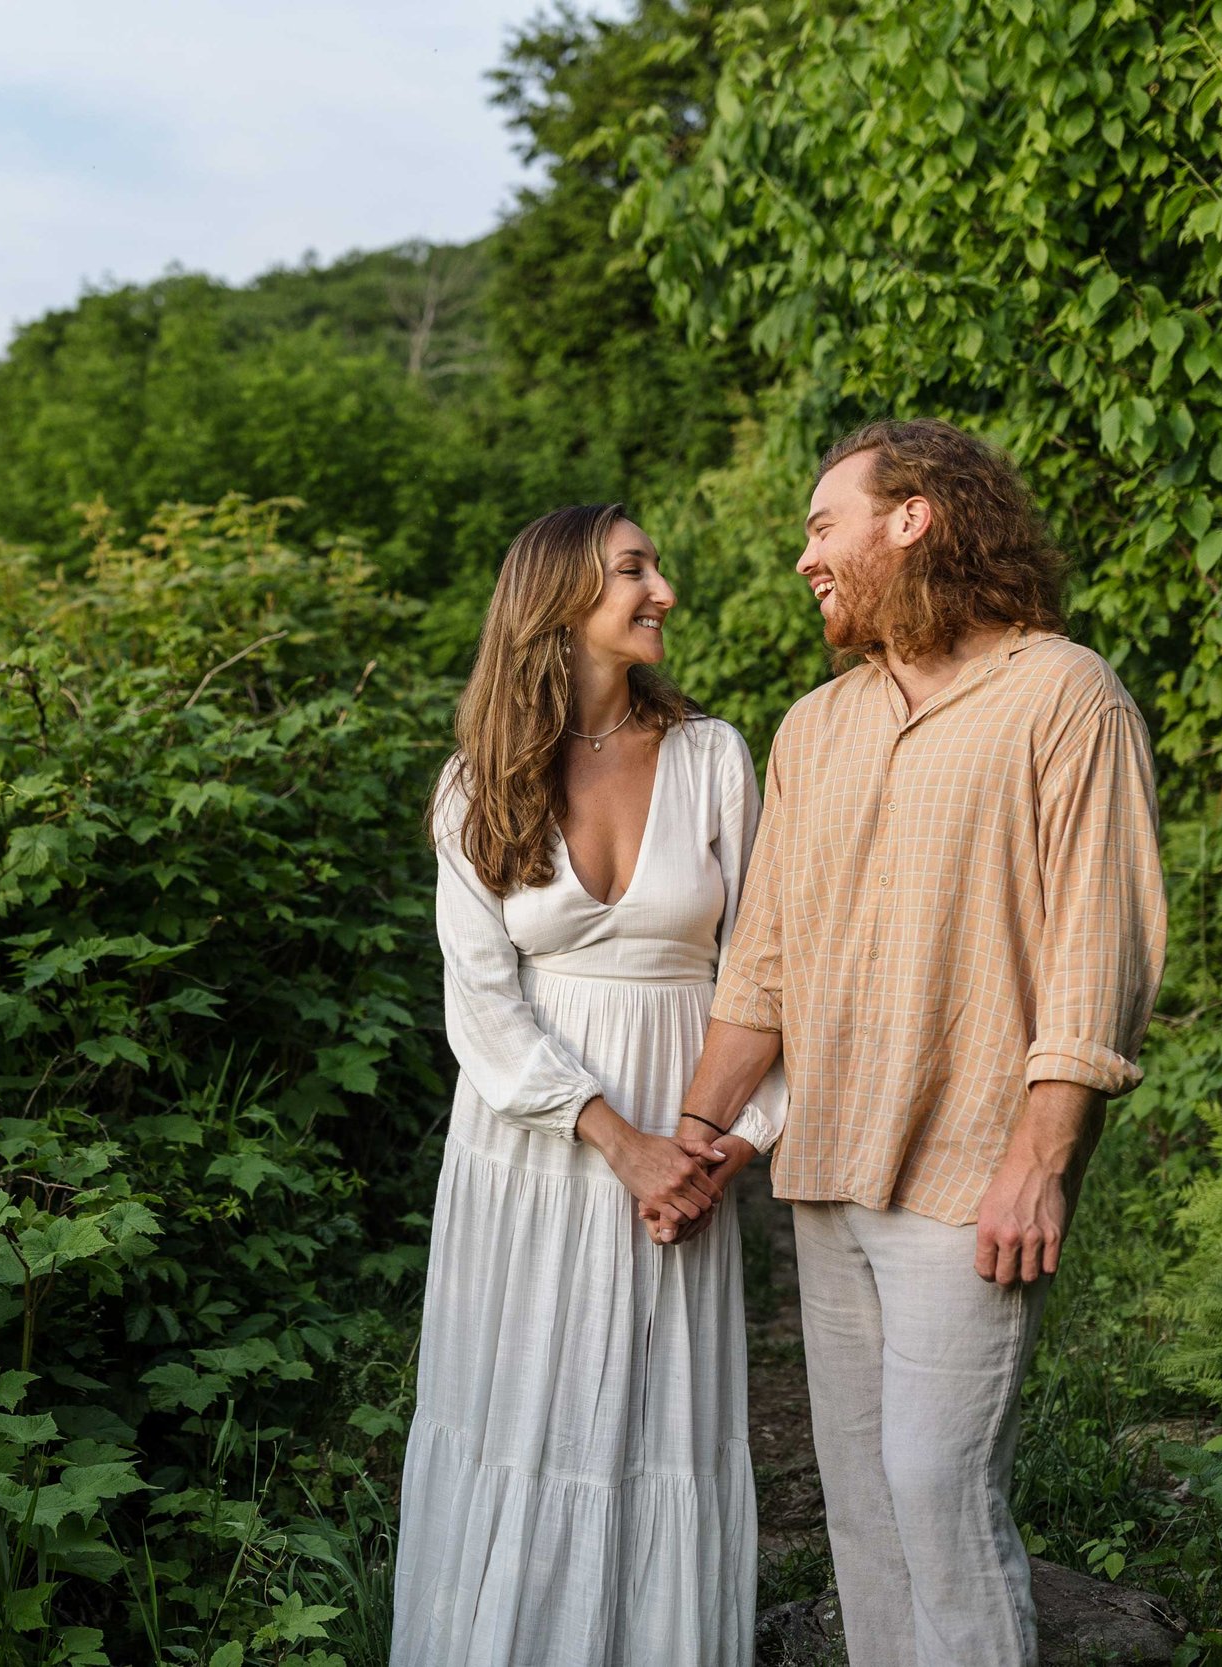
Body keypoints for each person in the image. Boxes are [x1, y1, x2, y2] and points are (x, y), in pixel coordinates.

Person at [674, 419, 1167, 1667]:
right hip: (829, 1169)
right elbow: (764, 965)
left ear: (913, 516)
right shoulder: (813, 727)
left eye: (820, 523)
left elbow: (1094, 952)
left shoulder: (1065, 692)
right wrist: (693, 1136)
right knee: (864, 1511)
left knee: (938, 1493)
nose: (804, 557)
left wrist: (1041, 1158)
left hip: (969, 1173)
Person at [390, 503, 786, 1666]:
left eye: (653, 566)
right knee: (522, 1409)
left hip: (691, 1132)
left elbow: (768, 966)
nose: (661, 587)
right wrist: (620, 1141)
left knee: (659, 1425)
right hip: (536, 1149)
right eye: (632, 569)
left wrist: (728, 1146)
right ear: (559, 601)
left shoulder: (713, 754)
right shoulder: (478, 783)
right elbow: (482, 1004)